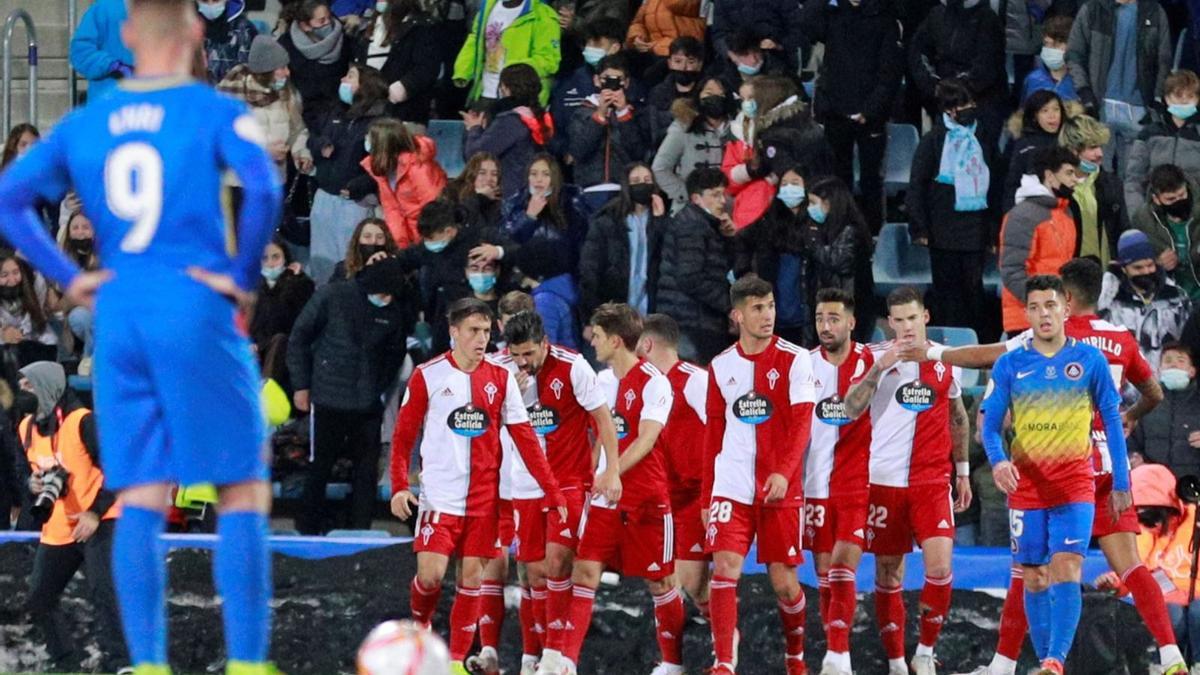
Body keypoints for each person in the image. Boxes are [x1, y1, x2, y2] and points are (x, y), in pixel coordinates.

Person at [0, 0, 284, 672]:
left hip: (120, 313)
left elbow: (10, 196)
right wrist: (241, 273)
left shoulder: (86, 123)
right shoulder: (208, 110)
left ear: (126, 36)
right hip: (192, 300)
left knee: (142, 493)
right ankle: (247, 661)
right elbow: (266, 189)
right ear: (193, 34)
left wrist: (69, 275)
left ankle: (150, 664)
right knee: (241, 486)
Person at [909, 257, 1184, 675]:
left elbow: (984, 357)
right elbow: (1153, 393)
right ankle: (1171, 656)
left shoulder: (1035, 342)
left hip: (1056, 470)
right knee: (1128, 565)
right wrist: (1133, 416)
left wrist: (932, 350)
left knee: (1029, 570)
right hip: (1106, 466)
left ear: (1065, 301)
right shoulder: (1120, 338)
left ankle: (1012, 663)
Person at [391, 298, 566, 673]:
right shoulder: (428, 375)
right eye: (473, 330)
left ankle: (454, 661)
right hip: (440, 497)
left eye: (486, 331)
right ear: (454, 332)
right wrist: (399, 486)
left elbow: (525, 439)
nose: (481, 338)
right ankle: (421, 629)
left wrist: (552, 492)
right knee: (431, 576)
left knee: (472, 578)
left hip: (485, 501)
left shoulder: (501, 379)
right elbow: (404, 436)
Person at [980, 274, 1132, 675]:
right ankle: (1049, 656)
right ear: (1026, 312)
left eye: (1050, 305)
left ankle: (1053, 661)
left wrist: (1121, 482)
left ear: (1065, 307)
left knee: (1066, 566)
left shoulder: (1090, 361)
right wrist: (997, 461)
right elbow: (990, 426)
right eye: (1034, 307)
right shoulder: (1011, 363)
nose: (1043, 314)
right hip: (1027, 486)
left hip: (1074, 484)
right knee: (1033, 576)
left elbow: (1113, 421)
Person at [537, 302, 684, 675]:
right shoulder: (602, 381)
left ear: (616, 340)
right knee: (585, 571)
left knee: (661, 580)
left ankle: (673, 663)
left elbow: (647, 438)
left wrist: (613, 471)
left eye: (598, 335)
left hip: (647, 499)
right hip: (605, 497)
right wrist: (596, 472)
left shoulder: (655, 381)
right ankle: (566, 663)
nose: (592, 340)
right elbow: (602, 433)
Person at [842, 286, 972, 675]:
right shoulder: (874, 358)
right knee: (888, 570)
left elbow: (958, 417)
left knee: (939, 566)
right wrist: (878, 371)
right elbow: (849, 408)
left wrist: (962, 471)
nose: (905, 327)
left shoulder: (946, 361)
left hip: (931, 481)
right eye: (897, 320)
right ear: (889, 323)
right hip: (883, 481)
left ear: (925, 318)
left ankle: (926, 652)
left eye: (912, 318)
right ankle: (898, 662)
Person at [499, 310, 622, 675]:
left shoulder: (574, 367)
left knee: (557, 561)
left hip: (569, 479)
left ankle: (556, 656)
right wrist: (511, 397)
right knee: (533, 571)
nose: (523, 362)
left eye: (529, 354)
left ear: (544, 344)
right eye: (516, 354)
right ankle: (534, 656)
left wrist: (611, 469)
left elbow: (603, 418)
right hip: (524, 482)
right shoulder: (504, 374)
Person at [15, 362, 126, 673]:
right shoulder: (24, 428)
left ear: (47, 387)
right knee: (39, 597)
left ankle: (122, 664)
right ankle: (67, 662)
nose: (24, 393)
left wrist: (94, 512)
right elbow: (27, 471)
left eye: (29, 386)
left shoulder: (83, 422)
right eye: (22, 386)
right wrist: (32, 483)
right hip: (60, 525)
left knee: (104, 592)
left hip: (100, 519)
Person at [288, 257, 411, 534]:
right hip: (327, 397)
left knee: (366, 471)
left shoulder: (393, 310)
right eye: (382, 294)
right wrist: (301, 385)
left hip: (367, 403)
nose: (386, 299)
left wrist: (376, 387)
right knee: (319, 466)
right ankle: (307, 530)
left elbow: (395, 354)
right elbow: (299, 338)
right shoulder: (333, 296)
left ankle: (361, 530)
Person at [804, 288, 875, 675]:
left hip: (857, 481)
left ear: (850, 321)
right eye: (819, 319)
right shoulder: (805, 365)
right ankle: (837, 649)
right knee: (824, 574)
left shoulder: (874, 360)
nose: (825, 326)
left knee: (842, 564)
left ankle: (838, 657)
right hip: (815, 483)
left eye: (833, 319)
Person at [802, 0, 904, 233]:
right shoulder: (832, 14)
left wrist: (870, 110)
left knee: (871, 179)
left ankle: (871, 235)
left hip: (871, 115)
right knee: (837, 176)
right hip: (836, 110)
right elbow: (808, 26)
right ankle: (839, 228)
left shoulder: (885, 18)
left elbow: (890, 73)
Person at [636, 313, 711, 621]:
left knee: (693, 582)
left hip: (695, 496)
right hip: (663, 498)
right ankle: (676, 659)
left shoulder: (695, 380)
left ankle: (725, 640)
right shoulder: (647, 386)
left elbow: (723, 432)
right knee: (662, 579)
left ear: (648, 343)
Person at [908, 78, 997, 334]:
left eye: (971, 102)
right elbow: (918, 185)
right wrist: (920, 228)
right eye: (963, 104)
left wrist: (992, 231)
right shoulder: (933, 141)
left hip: (976, 228)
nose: (970, 108)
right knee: (946, 293)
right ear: (949, 110)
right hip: (941, 229)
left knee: (973, 291)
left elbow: (996, 183)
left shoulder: (984, 137)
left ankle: (976, 347)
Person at [1099, 464, 1200, 663]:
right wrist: (1114, 582)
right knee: (1171, 613)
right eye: (1142, 513)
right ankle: (1164, 665)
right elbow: (1134, 569)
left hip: (1195, 593)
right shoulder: (1142, 531)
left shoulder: (1194, 519)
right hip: (1166, 597)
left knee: (1197, 612)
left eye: (1154, 512)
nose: (1148, 519)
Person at [1065, 0, 1171, 174]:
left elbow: (1164, 60)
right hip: (1100, 108)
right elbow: (1074, 54)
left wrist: (1157, 100)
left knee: (1132, 179)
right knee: (1094, 179)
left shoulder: (1154, 11)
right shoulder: (1092, 9)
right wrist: (1084, 91)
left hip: (1139, 111)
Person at [306, 63, 388, 284]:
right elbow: (312, 136)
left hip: (355, 204)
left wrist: (360, 186)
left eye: (350, 76)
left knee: (350, 262)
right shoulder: (336, 111)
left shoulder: (380, 123)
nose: (343, 79)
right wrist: (320, 145)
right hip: (325, 197)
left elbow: (384, 165)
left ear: (365, 86)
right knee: (321, 262)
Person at [656, 168, 736, 364]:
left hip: (692, 318)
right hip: (691, 322)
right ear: (696, 198)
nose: (722, 201)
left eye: (723, 194)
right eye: (715, 195)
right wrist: (729, 305)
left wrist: (729, 239)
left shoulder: (704, 224)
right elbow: (690, 278)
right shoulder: (693, 225)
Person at [999, 146, 1080, 334]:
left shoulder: (1065, 212)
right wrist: (1041, 306)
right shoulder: (1022, 216)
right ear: (1050, 176)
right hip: (1026, 321)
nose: (1075, 179)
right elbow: (1012, 272)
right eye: (1069, 173)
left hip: (1057, 317)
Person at [909, 0, 1008, 150]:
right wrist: (933, 85)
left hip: (982, 105)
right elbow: (918, 51)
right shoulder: (936, 14)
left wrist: (955, 92)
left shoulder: (988, 19)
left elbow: (987, 65)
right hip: (944, 102)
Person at [217, 35, 314, 182]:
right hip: (239, 183)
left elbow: (298, 130)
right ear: (266, 71)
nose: (288, 72)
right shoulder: (233, 94)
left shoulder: (287, 93)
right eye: (281, 68)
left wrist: (301, 153)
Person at [734, 166, 813, 345]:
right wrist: (744, 271)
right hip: (776, 309)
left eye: (795, 183)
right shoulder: (768, 222)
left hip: (806, 311)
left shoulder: (815, 220)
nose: (789, 188)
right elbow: (742, 240)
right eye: (784, 184)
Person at [578, 163, 668, 319]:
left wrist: (661, 221)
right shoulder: (606, 222)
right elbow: (589, 271)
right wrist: (589, 317)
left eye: (647, 180)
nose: (643, 185)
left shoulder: (659, 220)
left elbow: (668, 258)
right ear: (626, 186)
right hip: (613, 311)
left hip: (650, 312)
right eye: (636, 181)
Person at [1103, 230, 1193, 375]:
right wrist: (1110, 278)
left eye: (1150, 265)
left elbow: (1189, 343)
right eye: (1138, 267)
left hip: (1170, 384)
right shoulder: (1113, 301)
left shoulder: (1176, 296)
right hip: (1129, 385)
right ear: (1124, 269)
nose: (1146, 271)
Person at [464, 63, 555, 200]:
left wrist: (474, 129)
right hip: (534, 194)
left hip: (512, 197)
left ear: (505, 88)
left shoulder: (511, 121)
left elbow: (476, 156)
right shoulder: (542, 117)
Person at [355, 117, 447, 248]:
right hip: (411, 238)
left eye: (370, 137)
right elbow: (392, 210)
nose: (366, 140)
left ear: (382, 143)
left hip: (430, 236)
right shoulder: (382, 168)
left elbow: (435, 208)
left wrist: (426, 242)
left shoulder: (418, 167)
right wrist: (400, 245)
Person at [805, 177, 876, 344]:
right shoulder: (826, 231)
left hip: (850, 308)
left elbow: (837, 261)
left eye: (814, 203)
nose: (810, 209)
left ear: (830, 202)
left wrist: (813, 240)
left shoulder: (851, 232)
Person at [547, 16, 628, 160]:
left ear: (615, 47)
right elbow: (554, 125)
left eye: (596, 43)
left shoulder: (631, 86)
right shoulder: (568, 82)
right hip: (579, 168)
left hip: (620, 169)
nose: (589, 48)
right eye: (587, 42)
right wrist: (565, 151)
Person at [452, 0, 561, 105]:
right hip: (485, 94)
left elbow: (548, 60)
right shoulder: (487, 8)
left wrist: (511, 72)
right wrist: (462, 70)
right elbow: (476, 40)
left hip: (522, 99)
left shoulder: (543, 16)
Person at [568, 53, 651, 189]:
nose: (613, 84)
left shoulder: (637, 113)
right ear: (596, 80)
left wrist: (624, 114)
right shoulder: (581, 112)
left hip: (624, 188)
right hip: (589, 187)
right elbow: (578, 152)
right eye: (606, 79)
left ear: (627, 82)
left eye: (619, 79)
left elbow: (639, 154)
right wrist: (599, 115)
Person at [652, 76, 732, 212]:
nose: (715, 98)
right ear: (698, 95)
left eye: (721, 94)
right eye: (709, 93)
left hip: (729, 207)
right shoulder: (684, 127)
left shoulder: (738, 128)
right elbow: (660, 168)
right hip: (689, 209)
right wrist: (688, 194)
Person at [355, 0, 441, 126]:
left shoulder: (422, 28)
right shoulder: (370, 25)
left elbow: (426, 69)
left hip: (404, 112)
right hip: (368, 107)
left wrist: (402, 88)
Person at [500, 154, 590, 272]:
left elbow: (583, 243)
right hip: (526, 277)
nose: (539, 179)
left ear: (555, 178)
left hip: (565, 277)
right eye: (534, 174)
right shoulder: (514, 204)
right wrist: (529, 216)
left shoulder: (572, 200)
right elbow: (507, 242)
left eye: (546, 174)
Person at [1125, 70, 1200, 213]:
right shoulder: (1149, 133)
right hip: (1155, 214)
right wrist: (1139, 215)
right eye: (1178, 95)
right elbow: (1134, 179)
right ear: (1167, 98)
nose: (1184, 100)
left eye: (1190, 96)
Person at [1060, 113, 1126, 268]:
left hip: (1104, 276)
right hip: (1067, 276)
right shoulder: (1055, 188)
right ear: (1072, 150)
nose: (1100, 154)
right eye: (1092, 148)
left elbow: (1122, 229)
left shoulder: (1112, 183)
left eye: (1101, 147)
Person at [252, 236, 314, 392]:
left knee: (280, 340)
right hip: (255, 347)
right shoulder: (251, 287)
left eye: (276, 257)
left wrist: (296, 280)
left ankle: (266, 393)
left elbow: (300, 322)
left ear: (285, 259)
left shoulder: (298, 283)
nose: (271, 263)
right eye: (265, 258)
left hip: (285, 348)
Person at [277, 0, 352, 128]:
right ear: (305, 25)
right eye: (321, 21)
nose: (328, 23)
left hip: (340, 110)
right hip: (305, 114)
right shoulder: (286, 45)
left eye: (329, 18)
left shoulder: (344, 39)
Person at [1128, 344, 1200, 478]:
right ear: (1159, 370)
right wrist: (1134, 458)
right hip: (1153, 485)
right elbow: (1131, 442)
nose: (1173, 365)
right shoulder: (1146, 403)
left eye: (1180, 360)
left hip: (1193, 487)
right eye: (1168, 361)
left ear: (1192, 371)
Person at [1132, 164, 1200, 300]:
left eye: (1182, 195)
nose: (1179, 202)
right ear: (1156, 199)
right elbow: (1134, 266)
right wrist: (1157, 265)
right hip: (1170, 298)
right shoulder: (1143, 220)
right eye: (1171, 199)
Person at [0, 252, 59, 387]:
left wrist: (20, 334)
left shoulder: (35, 283)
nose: (12, 280)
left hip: (36, 343)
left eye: (16, 272)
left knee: (24, 350)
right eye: (4, 275)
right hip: (5, 348)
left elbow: (38, 320)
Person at [1003, 90, 1066, 211]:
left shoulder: (1069, 141)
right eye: (1045, 110)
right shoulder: (1024, 145)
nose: (1052, 115)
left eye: (1056, 109)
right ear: (1034, 116)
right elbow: (1012, 184)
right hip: (1032, 211)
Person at [55, 213, 100, 374]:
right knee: (81, 316)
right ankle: (90, 359)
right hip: (74, 316)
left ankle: (89, 359)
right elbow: (56, 305)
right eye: (75, 228)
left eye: (86, 227)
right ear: (68, 232)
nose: (80, 232)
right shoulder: (61, 262)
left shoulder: (106, 258)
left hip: (104, 312)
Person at [711, 0, 805, 73]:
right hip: (736, 65)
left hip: (777, 62)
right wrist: (731, 54)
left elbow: (797, 29)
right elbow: (718, 34)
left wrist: (778, 44)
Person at [68, 0, 134, 102]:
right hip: (109, 99)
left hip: (152, 101)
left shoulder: (163, 10)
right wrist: (112, 66)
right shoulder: (104, 8)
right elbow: (80, 51)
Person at [1021, 15, 1078, 104]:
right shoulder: (1032, 79)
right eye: (1047, 43)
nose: (1050, 49)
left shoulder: (1081, 83)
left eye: (1057, 44)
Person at [197, 0, 257, 83]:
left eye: (216, 0)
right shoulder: (187, 27)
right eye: (204, 1)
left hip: (234, 91)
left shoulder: (244, 29)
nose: (210, 5)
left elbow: (251, 71)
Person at [644, 37, 706, 118]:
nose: (683, 67)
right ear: (670, 63)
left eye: (690, 62)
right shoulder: (657, 94)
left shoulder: (708, 92)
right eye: (678, 61)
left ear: (699, 65)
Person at [331, 216, 399, 282]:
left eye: (379, 237)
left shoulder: (395, 266)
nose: (373, 241)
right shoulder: (342, 269)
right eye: (367, 236)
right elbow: (333, 291)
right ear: (358, 240)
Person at [452, 152, 505, 232]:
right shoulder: (451, 193)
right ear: (471, 174)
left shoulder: (500, 206)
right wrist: (478, 196)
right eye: (482, 173)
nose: (489, 179)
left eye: (494, 174)